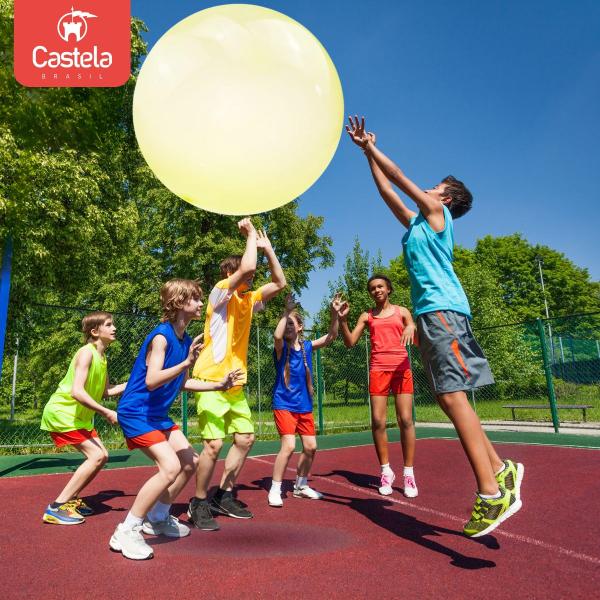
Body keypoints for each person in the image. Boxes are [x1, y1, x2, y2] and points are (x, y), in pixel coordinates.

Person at [346, 116, 524, 538]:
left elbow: (400, 176)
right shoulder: (416, 225)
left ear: (447, 197)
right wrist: (365, 154)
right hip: (432, 316)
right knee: (450, 400)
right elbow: (387, 190)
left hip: (443, 312)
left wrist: (372, 147)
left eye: (433, 187)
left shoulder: (439, 213)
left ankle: (490, 494)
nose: (426, 188)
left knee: (452, 396)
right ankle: (501, 470)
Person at [110, 279, 242, 560]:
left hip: (157, 415)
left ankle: (157, 516)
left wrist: (219, 385)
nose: (199, 304)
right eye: (195, 299)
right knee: (169, 467)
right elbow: (153, 379)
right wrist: (185, 364)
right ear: (179, 302)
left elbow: (183, 384)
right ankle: (127, 529)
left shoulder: (183, 341)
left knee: (190, 462)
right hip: (136, 412)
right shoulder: (161, 337)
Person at [188, 218, 286, 530]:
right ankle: (198, 501)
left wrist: (268, 250)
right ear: (231, 275)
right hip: (210, 381)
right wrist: (250, 236)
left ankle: (224, 494)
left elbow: (280, 283)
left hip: (235, 383)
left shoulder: (248, 300)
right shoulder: (219, 295)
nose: (248, 276)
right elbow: (248, 270)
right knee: (213, 446)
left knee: (245, 439)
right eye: (241, 273)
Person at [40, 311, 126, 525]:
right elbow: (77, 391)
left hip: (78, 418)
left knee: (102, 456)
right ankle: (57, 507)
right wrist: (106, 412)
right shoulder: (86, 353)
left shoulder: (103, 357)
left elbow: (106, 391)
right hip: (63, 413)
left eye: (113, 324)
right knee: (96, 456)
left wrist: (136, 382)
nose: (114, 328)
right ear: (95, 331)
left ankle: (71, 500)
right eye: (109, 324)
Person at [337, 274, 418, 498]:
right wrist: (343, 320)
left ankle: (408, 474)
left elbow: (411, 325)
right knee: (378, 421)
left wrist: (411, 326)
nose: (376, 290)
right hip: (378, 369)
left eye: (380, 286)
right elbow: (350, 342)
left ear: (388, 289)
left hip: (402, 368)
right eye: (372, 288)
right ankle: (385, 471)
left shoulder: (402, 312)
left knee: (406, 420)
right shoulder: (367, 316)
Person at [268, 293, 340, 507]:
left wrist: (334, 314)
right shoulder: (281, 349)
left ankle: (300, 486)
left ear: (300, 327)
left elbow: (331, 337)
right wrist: (286, 312)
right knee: (288, 446)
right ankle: (275, 489)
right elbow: (277, 335)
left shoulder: (307, 347)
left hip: (304, 406)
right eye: (286, 323)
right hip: (284, 404)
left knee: (310, 447)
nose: (288, 326)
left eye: (292, 323)